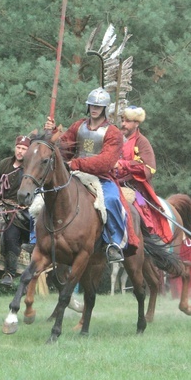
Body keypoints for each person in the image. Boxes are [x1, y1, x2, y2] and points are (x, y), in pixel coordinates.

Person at [44, 87, 132, 263]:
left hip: (101, 177)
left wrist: (76, 163)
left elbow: (105, 162)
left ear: (104, 108)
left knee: (112, 201)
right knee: (42, 197)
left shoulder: (113, 132)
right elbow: (64, 148)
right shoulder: (79, 125)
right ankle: (36, 238)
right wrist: (52, 133)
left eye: (98, 106)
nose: (94, 108)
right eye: (92, 105)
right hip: (75, 174)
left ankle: (114, 243)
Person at [113, 106, 173, 244]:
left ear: (136, 123)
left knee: (142, 209)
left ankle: (148, 239)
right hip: (112, 182)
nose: (123, 124)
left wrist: (124, 164)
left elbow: (149, 168)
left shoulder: (142, 142)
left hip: (136, 188)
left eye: (128, 121)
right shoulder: (115, 139)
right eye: (122, 120)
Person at [0, 135, 32, 286]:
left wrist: (27, 204)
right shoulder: (5, 163)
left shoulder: (30, 168)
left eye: (24, 149)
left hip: (19, 209)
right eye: (19, 147)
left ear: (28, 151)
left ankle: (9, 273)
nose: (20, 151)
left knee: (10, 234)